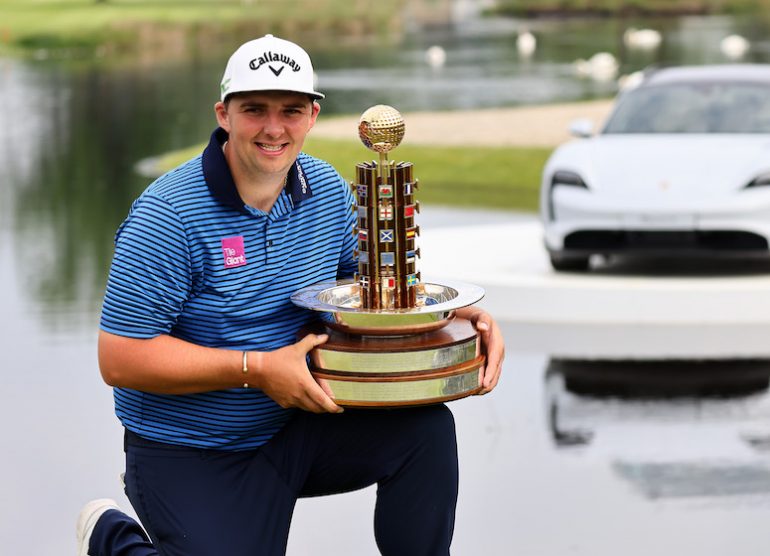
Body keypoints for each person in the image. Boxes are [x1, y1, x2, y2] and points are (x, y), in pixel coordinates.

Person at [77, 34, 504, 556]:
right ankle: (111, 540)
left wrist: (454, 316)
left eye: (291, 110)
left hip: (296, 427)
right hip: (189, 449)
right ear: (224, 114)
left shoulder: (325, 189)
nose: (274, 128)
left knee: (424, 432)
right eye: (254, 109)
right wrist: (256, 369)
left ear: (313, 116)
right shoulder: (168, 216)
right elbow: (120, 358)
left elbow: (361, 294)